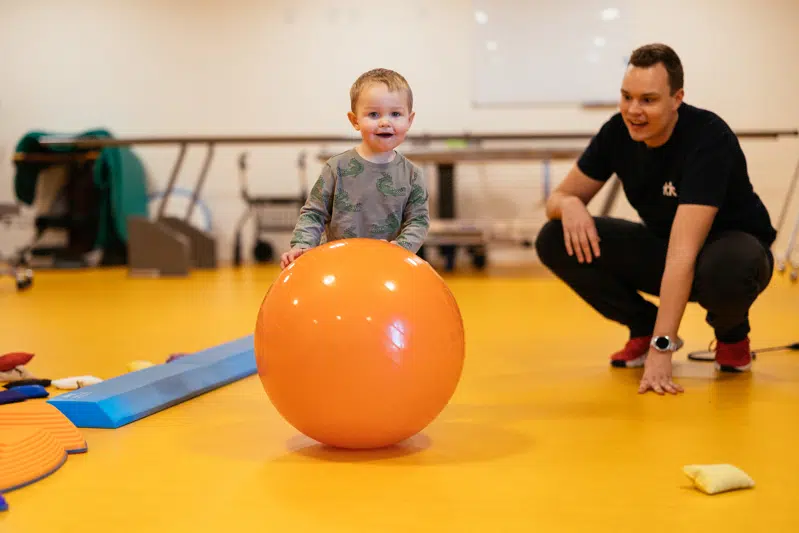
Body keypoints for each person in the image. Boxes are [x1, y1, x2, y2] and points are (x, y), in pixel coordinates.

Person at [535, 43, 777, 396]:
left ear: (677, 98)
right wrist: (570, 205)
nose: (634, 111)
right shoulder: (617, 132)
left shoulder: (708, 139)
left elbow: (684, 253)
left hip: (731, 253)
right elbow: (557, 198)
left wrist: (662, 351)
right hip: (667, 247)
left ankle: (732, 337)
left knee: (728, 264)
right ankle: (642, 324)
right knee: (553, 238)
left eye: (648, 100)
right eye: (626, 97)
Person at [280, 68, 430, 268]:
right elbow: (313, 214)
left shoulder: (412, 175)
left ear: (409, 120)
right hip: (337, 267)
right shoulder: (336, 168)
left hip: (387, 268)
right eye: (374, 114)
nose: (385, 122)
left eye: (395, 114)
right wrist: (302, 246)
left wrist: (401, 248)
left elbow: (418, 221)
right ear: (355, 120)